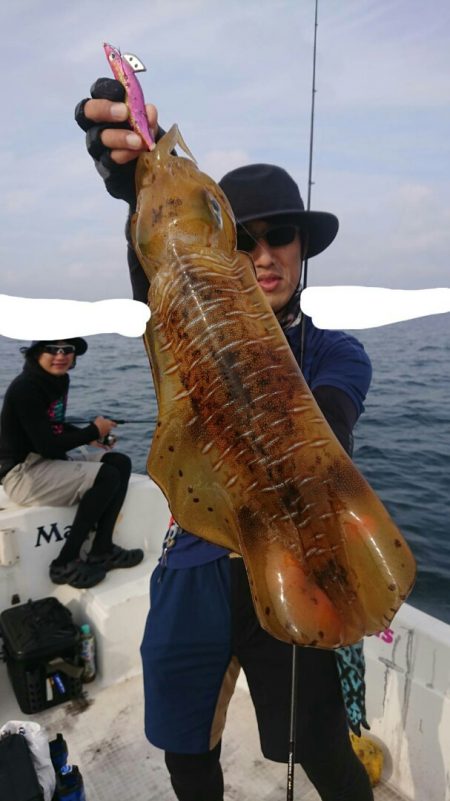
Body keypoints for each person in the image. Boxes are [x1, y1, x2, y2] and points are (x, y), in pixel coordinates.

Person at [75, 79, 374, 801]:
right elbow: (158, 281)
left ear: (303, 249)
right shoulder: (180, 332)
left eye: (280, 237)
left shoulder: (338, 353)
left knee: (323, 749)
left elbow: (328, 426)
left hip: (293, 555)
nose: (264, 254)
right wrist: (130, 191)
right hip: (195, 557)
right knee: (185, 745)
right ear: (218, 241)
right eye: (244, 238)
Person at [0, 337, 144, 589]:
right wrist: (91, 430)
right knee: (106, 476)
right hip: (22, 474)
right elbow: (47, 444)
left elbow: (52, 427)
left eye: (68, 350)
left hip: (46, 461)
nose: (61, 355)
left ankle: (102, 549)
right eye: (52, 350)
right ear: (36, 353)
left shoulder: (56, 380)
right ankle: (64, 562)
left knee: (119, 462)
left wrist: (94, 436)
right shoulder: (26, 388)